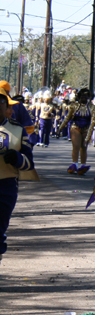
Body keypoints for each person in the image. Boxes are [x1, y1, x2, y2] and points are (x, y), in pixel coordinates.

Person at [0, 90, 35, 266]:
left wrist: (17, 158)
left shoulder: (18, 131)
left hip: (5, 188)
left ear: (7, 108)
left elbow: (29, 164)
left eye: (1, 101)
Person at [60, 88, 95, 175]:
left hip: (87, 128)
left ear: (89, 97)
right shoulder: (73, 106)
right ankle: (75, 164)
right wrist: (60, 128)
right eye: (82, 96)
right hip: (75, 127)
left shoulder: (93, 108)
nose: (84, 98)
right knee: (76, 146)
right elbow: (67, 118)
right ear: (79, 96)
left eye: (86, 96)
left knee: (84, 147)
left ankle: (83, 165)